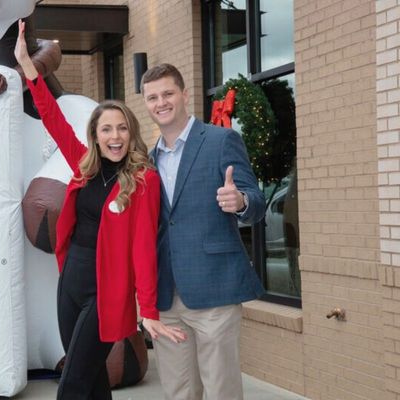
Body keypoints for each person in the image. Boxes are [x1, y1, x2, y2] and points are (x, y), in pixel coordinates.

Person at [14, 22, 186, 400]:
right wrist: (27, 65)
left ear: (131, 133)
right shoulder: (82, 165)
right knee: (92, 384)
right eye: (106, 129)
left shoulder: (144, 181)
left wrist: (149, 309)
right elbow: (51, 117)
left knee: (72, 384)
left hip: (106, 294)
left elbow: (143, 248)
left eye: (122, 128)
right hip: (70, 286)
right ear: (95, 135)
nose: (114, 137)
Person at [141, 63, 266, 400]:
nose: (161, 102)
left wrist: (239, 200)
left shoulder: (221, 140)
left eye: (167, 93)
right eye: (152, 97)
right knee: (179, 391)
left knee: (220, 390)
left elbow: (256, 203)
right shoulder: (147, 161)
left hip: (214, 290)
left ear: (184, 94)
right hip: (167, 296)